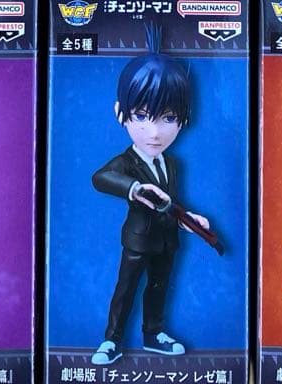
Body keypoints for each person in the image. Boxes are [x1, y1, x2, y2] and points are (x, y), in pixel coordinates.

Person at [89, 24, 212, 366]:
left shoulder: (172, 163)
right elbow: (100, 178)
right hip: (138, 239)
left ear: (183, 120)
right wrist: (134, 189)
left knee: (159, 287)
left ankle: (153, 333)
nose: (154, 132)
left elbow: (170, 201)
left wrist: (187, 219)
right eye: (141, 116)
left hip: (167, 240)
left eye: (168, 118)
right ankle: (112, 339)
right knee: (126, 289)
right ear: (121, 113)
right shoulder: (126, 161)